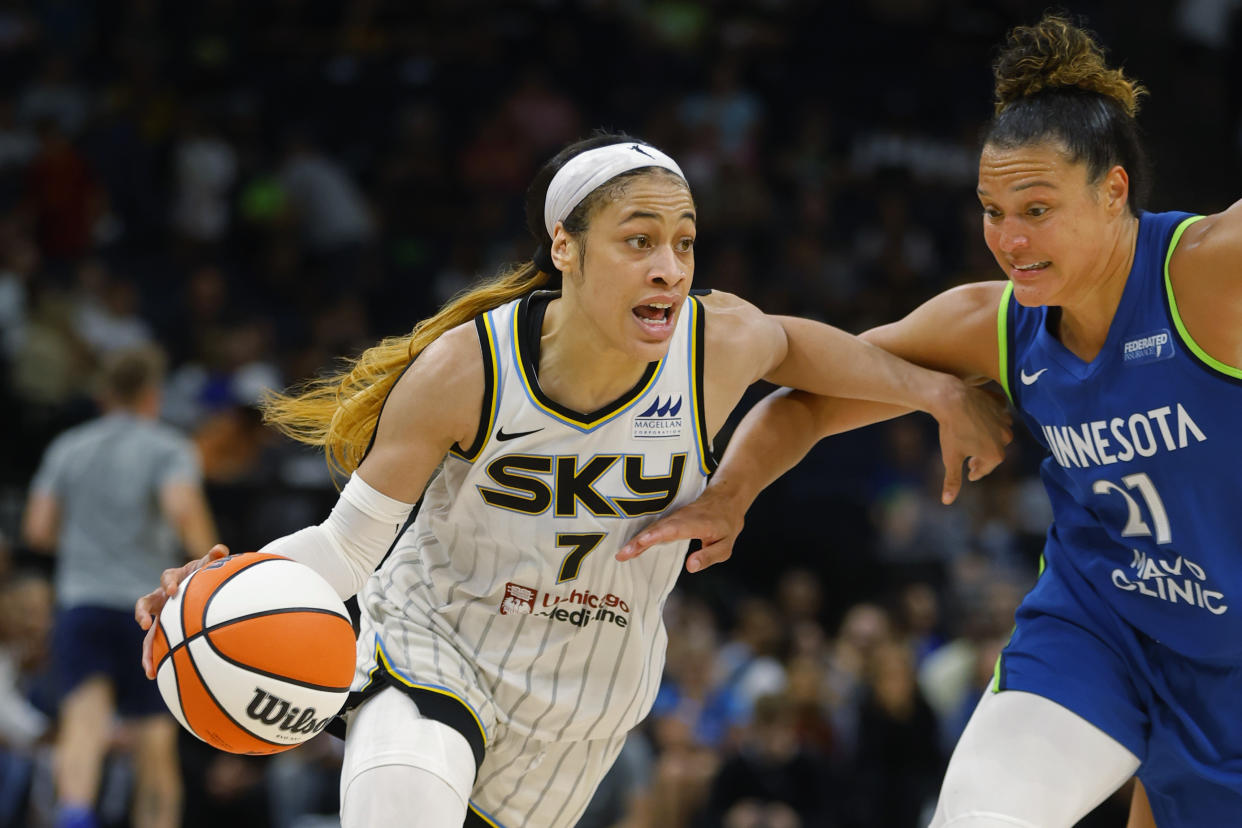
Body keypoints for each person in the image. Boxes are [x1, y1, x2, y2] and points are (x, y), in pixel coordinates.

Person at [134, 133, 1010, 828]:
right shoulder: (465, 371)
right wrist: (231, 589)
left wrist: (933, 393)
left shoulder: (715, 346)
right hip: (437, 650)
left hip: (586, 699)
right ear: (566, 246)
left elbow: (801, 351)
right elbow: (347, 546)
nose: (669, 266)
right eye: (638, 241)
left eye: (683, 242)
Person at [618, 14, 1242, 827]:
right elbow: (809, 397)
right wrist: (732, 492)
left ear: (1114, 190)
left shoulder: (1207, 275)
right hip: (1104, 629)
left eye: (1038, 208)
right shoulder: (990, 323)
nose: (1009, 240)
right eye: (992, 210)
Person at [23, 343, 218, 828]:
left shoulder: (69, 447)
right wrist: (217, 561)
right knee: (154, 744)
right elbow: (183, 513)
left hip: (82, 603)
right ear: (152, 394)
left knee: (83, 726)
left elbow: (38, 529)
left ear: (105, 394)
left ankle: (72, 818)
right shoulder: (168, 447)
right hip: (146, 610)